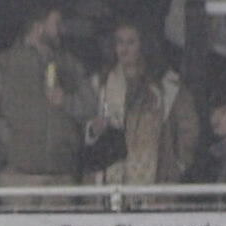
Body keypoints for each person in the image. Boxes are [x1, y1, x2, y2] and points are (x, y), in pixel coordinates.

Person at [0, 1, 97, 198]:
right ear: (38, 28)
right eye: (56, 24)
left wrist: (66, 102)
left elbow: (91, 106)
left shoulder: (71, 65)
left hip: (61, 177)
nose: (61, 31)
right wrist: (8, 138)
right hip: (18, 177)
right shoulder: (3, 64)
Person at [83, 17, 199, 187]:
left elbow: (189, 129)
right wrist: (92, 130)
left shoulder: (166, 85)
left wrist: (177, 166)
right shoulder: (100, 83)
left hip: (156, 182)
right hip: (109, 181)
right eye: (119, 42)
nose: (124, 49)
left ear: (143, 45)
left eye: (131, 42)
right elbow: (82, 124)